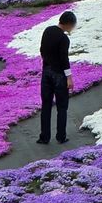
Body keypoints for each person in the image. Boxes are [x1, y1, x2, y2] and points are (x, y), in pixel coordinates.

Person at [36, 10, 76, 145]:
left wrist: (47, 63)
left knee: (46, 106)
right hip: (59, 75)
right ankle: (61, 136)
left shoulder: (48, 30)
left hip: (46, 72)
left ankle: (44, 137)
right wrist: (69, 78)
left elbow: (42, 50)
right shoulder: (64, 38)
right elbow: (64, 59)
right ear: (69, 24)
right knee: (62, 107)